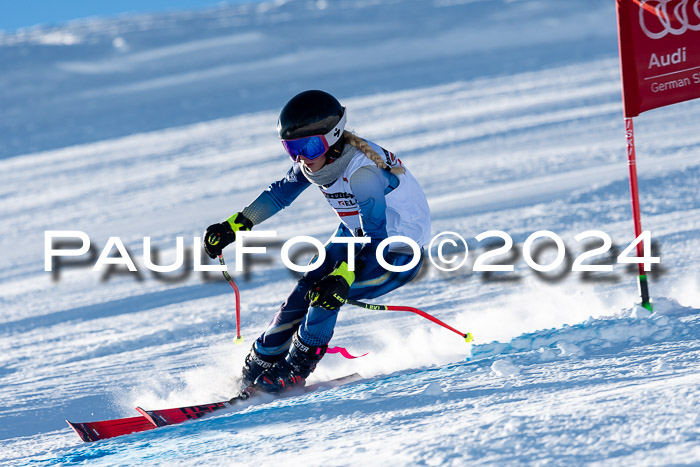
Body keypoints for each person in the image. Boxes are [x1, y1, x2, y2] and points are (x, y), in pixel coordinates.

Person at [203, 90, 431, 393]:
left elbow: (377, 241)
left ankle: (297, 367)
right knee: (306, 286)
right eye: (291, 148)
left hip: (396, 253)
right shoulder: (317, 160)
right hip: (356, 234)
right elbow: (278, 194)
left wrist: (342, 277)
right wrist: (234, 226)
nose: (302, 158)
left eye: (309, 146)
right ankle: (261, 361)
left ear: (333, 137)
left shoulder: (362, 174)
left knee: (325, 294)